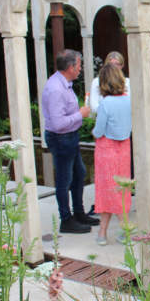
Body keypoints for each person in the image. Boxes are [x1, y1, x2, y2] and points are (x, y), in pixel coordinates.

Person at [41, 49, 100, 233]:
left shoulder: (65, 83)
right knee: (64, 179)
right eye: (78, 65)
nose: (80, 69)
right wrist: (80, 115)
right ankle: (66, 220)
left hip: (70, 136)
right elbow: (58, 124)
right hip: (61, 138)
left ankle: (79, 213)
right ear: (70, 67)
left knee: (79, 173)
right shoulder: (56, 89)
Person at [91, 63, 132, 245]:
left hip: (106, 150)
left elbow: (99, 131)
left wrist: (93, 132)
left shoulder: (105, 104)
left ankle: (103, 233)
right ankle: (123, 230)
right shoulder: (129, 100)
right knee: (122, 190)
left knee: (106, 190)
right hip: (124, 149)